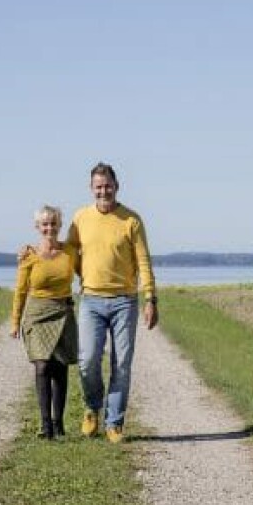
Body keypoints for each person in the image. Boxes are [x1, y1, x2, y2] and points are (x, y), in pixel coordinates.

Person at [67, 162, 158, 444]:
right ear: (91, 189)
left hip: (124, 302)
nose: (103, 191)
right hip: (91, 300)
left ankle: (114, 422)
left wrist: (150, 298)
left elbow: (143, 260)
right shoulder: (80, 218)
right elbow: (68, 253)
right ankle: (92, 407)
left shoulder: (131, 220)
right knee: (88, 360)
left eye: (107, 186)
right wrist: (35, 254)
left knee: (122, 364)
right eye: (98, 187)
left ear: (116, 187)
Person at [10, 205, 79, 440]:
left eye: (54, 223)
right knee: (42, 366)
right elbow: (20, 291)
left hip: (63, 311)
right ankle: (45, 425)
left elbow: (88, 273)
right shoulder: (29, 256)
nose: (50, 227)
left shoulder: (70, 252)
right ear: (38, 227)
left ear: (60, 226)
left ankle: (59, 424)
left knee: (60, 367)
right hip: (37, 314)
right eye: (45, 224)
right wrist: (15, 321)